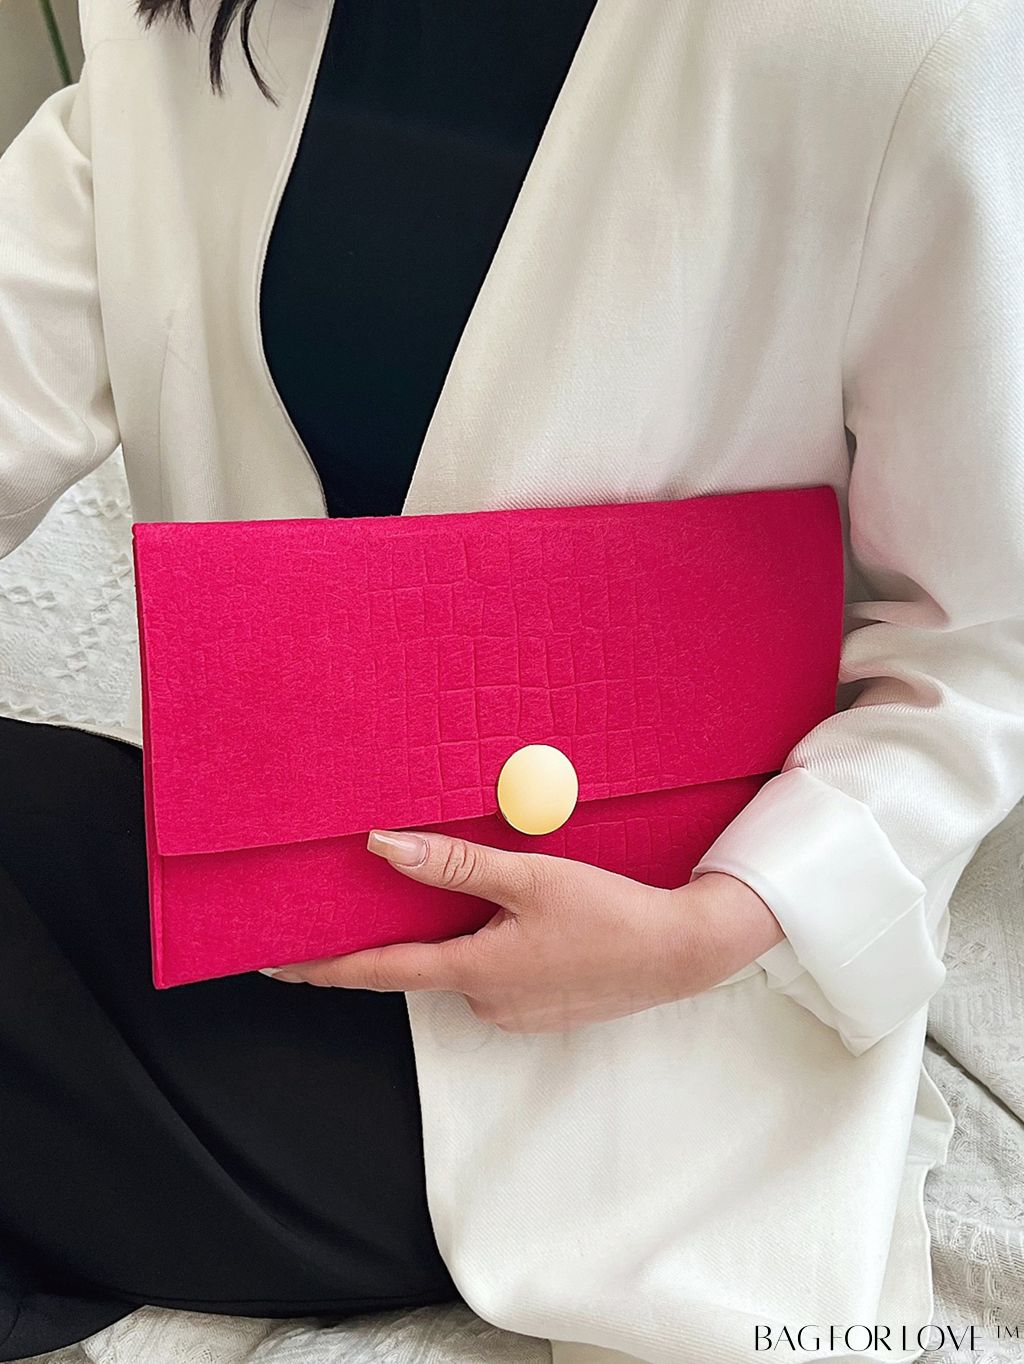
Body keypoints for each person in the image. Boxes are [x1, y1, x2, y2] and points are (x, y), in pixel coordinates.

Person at [1, 1, 1022, 1361]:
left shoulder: (897, 41)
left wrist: (713, 927)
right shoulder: (195, 25)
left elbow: (978, 647)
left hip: (623, 1036)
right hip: (254, 893)